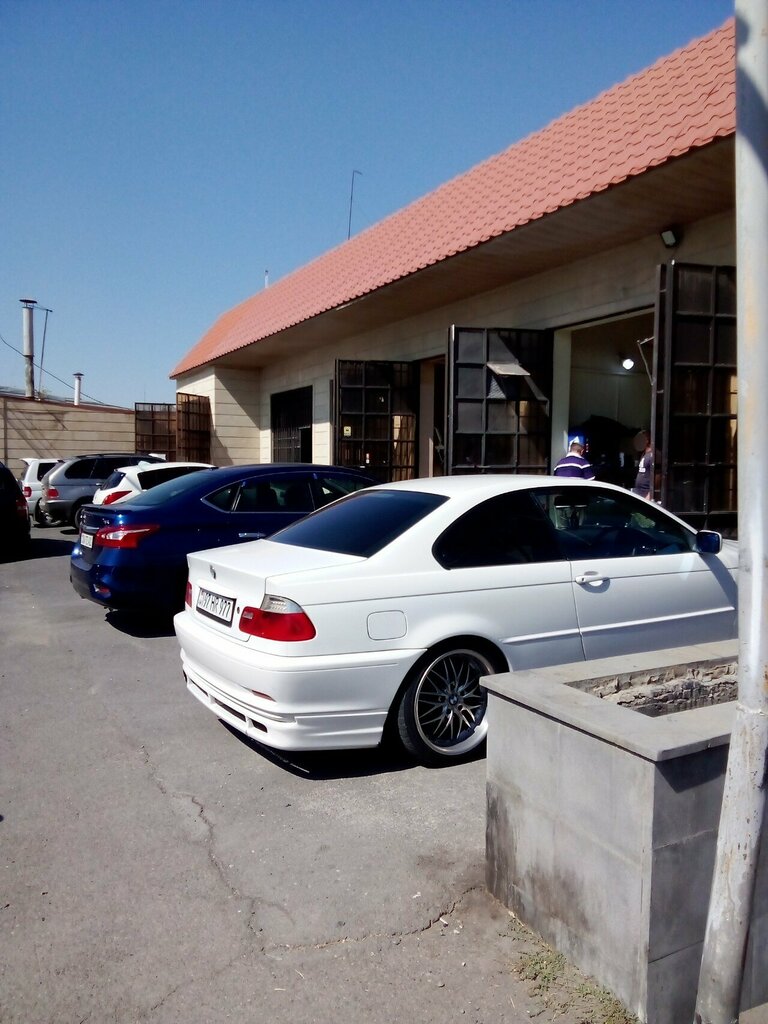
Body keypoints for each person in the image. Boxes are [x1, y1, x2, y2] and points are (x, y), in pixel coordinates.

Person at [632, 430, 654, 499]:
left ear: (647, 440)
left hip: (646, 493)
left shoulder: (653, 455)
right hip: (639, 492)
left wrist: (650, 494)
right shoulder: (644, 454)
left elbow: (658, 476)